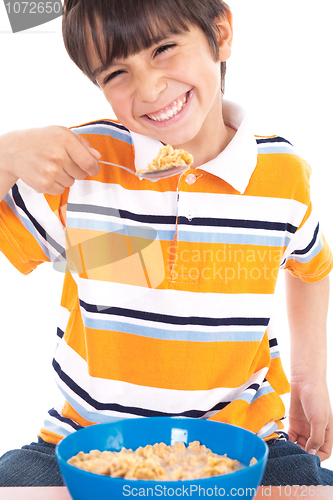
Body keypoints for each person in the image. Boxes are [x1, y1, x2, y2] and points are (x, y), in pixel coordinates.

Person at [0, 0, 332, 487]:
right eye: (116, 73)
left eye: (164, 48)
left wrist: (308, 377)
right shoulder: (81, 166)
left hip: (245, 444)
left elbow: (312, 265)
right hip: (84, 444)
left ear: (220, 34)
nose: (150, 89)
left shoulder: (281, 174)